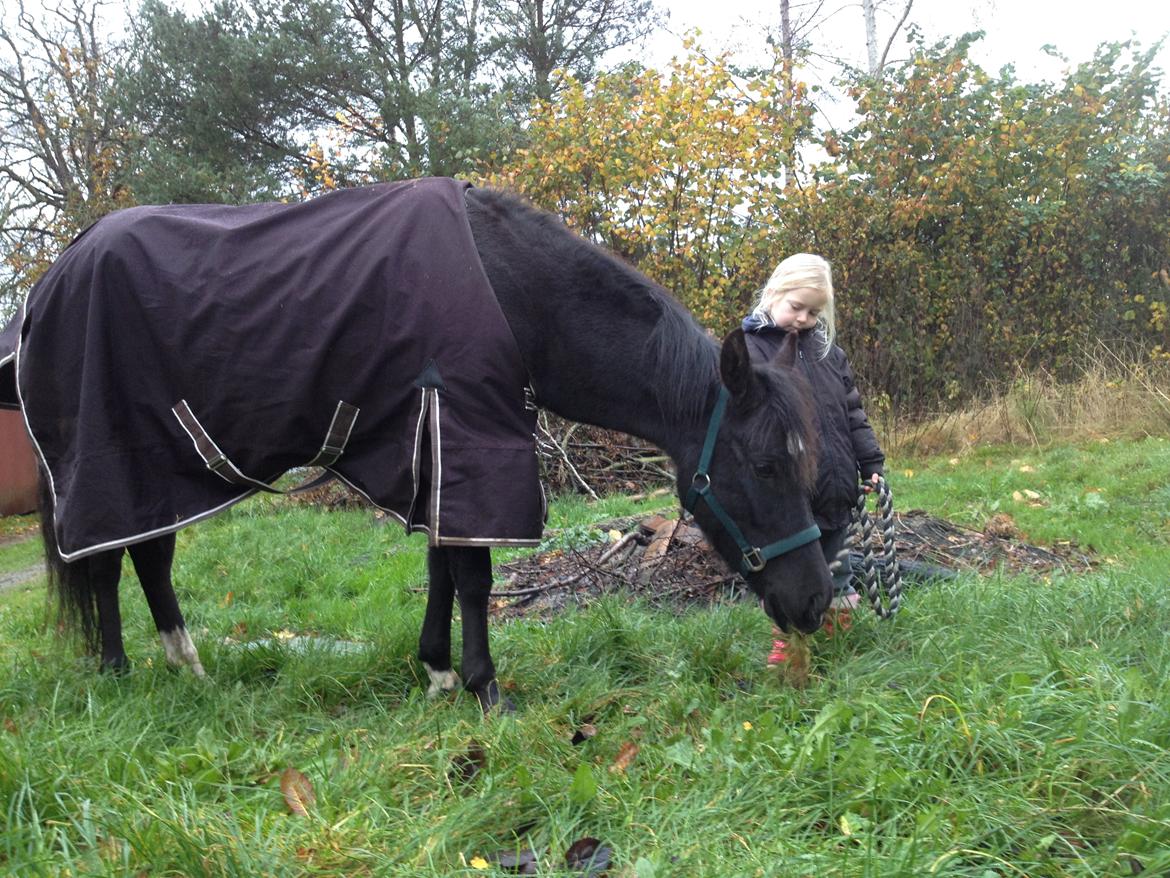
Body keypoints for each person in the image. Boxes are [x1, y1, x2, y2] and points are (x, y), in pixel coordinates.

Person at [740, 253, 885, 665]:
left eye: (814, 312)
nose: (803, 319)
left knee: (837, 565)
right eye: (796, 307)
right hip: (789, 493)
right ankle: (788, 640)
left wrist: (871, 464)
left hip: (834, 486)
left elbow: (852, 414)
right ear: (773, 293)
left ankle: (836, 637)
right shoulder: (750, 352)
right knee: (789, 572)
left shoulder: (828, 354)